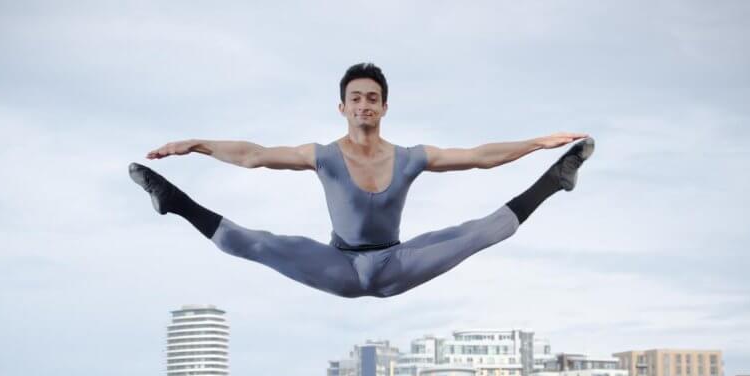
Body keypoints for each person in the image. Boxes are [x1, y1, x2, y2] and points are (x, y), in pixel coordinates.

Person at [129, 62, 593, 298]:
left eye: (373, 98)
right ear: (343, 108)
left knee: (482, 233)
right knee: (251, 244)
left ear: (384, 107)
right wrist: (194, 144)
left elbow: (478, 157)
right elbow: (253, 156)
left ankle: (555, 180)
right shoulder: (324, 156)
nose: (364, 105)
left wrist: (537, 142)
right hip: (340, 266)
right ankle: (172, 199)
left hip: (396, 262)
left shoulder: (411, 157)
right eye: (356, 98)